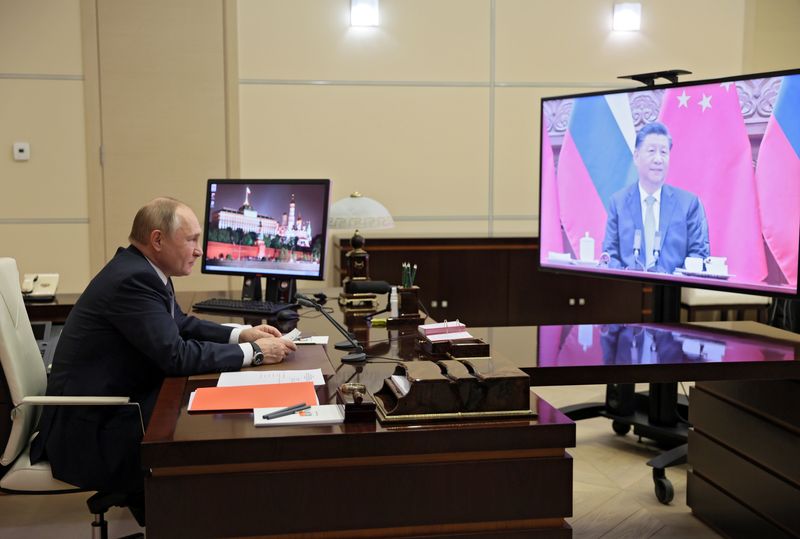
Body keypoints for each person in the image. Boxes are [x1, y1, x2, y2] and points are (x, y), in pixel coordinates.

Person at [30, 197, 297, 524]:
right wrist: (256, 355)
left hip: (110, 406)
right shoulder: (133, 280)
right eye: (191, 240)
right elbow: (176, 355)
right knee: (208, 440)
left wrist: (241, 335)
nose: (199, 250)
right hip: (93, 428)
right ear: (157, 240)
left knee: (208, 418)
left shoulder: (142, 269)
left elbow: (179, 324)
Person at [602, 121, 709, 274]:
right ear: (636, 156)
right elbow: (609, 255)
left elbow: (699, 255)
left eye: (664, 152)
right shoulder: (618, 203)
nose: (658, 159)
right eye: (651, 151)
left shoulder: (689, 204)